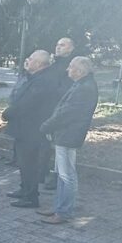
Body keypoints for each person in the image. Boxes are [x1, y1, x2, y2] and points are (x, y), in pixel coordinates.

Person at [38, 57, 99, 224]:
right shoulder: (82, 84)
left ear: (79, 71)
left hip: (68, 135)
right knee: (62, 174)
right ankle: (59, 207)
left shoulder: (84, 88)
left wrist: (46, 126)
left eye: (71, 67)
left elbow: (67, 113)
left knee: (67, 176)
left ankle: (64, 212)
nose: (68, 70)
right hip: (66, 134)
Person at [2, 50, 61, 208]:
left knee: (29, 163)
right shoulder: (35, 76)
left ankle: (31, 196)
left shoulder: (44, 80)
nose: (28, 61)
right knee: (23, 161)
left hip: (32, 128)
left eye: (31, 59)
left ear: (40, 64)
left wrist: (8, 113)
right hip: (24, 126)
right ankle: (24, 188)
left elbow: (27, 102)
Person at [41, 37, 77, 189]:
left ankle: (59, 177)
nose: (58, 47)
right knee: (49, 143)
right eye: (57, 44)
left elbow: (66, 88)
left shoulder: (71, 65)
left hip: (61, 108)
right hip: (48, 107)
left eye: (62, 45)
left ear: (71, 48)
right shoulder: (54, 62)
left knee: (61, 147)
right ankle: (44, 172)